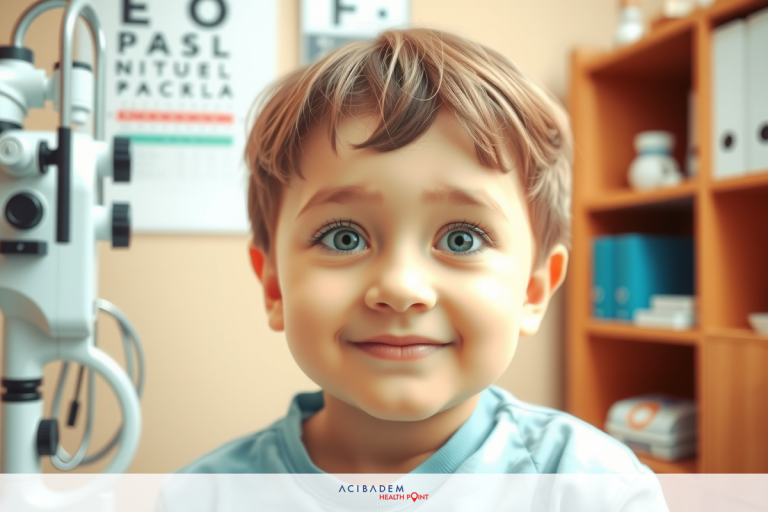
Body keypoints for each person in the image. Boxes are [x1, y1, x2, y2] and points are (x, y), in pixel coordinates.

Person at [180, 27, 649, 477]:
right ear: (275, 285)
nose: (401, 288)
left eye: (461, 238)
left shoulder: (592, 486)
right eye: (344, 237)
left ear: (533, 289)